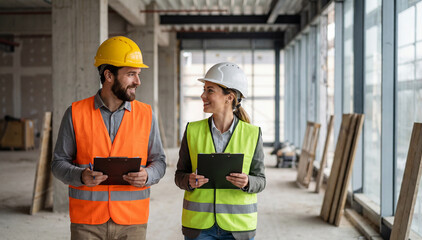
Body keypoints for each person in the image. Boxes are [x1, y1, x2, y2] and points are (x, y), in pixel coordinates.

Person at [51, 36, 166, 240]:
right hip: (87, 221)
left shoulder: (147, 114)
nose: (137, 81)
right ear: (108, 75)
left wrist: (148, 175)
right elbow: (58, 163)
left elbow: (159, 162)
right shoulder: (75, 113)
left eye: (138, 74)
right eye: (131, 74)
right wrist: (81, 176)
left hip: (132, 222)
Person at [175, 62, 266, 240]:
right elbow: (179, 175)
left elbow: (261, 180)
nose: (203, 95)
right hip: (199, 227)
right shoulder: (192, 130)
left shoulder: (252, 134)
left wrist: (247, 182)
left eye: (210, 90)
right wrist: (189, 180)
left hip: (238, 229)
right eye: (204, 89)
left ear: (229, 97)